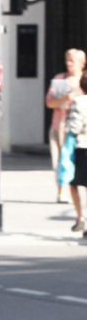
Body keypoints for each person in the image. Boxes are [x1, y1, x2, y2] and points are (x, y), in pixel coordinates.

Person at [47, 49, 86, 203]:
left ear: (82, 63)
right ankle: (61, 191)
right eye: (67, 60)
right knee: (59, 160)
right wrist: (65, 98)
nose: (69, 64)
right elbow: (49, 103)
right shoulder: (60, 79)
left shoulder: (84, 80)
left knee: (78, 162)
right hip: (60, 124)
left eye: (72, 61)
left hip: (81, 128)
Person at [63, 71, 87, 233]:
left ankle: (81, 216)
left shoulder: (80, 102)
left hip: (82, 148)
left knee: (74, 183)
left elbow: (75, 127)